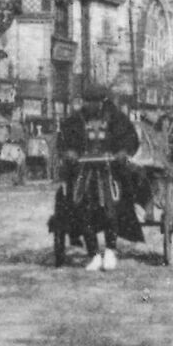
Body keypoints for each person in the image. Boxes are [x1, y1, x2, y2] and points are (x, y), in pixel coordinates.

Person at [59, 85, 142, 271]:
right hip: (84, 169)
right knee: (82, 208)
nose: (91, 105)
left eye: (95, 102)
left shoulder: (116, 117)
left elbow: (130, 137)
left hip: (110, 168)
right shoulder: (75, 119)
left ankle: (111, 250)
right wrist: (70, 152)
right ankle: (94, 254)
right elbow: (64, 140)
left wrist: (123, 151)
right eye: (87, 102)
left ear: (102, 102)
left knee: (113, 208)